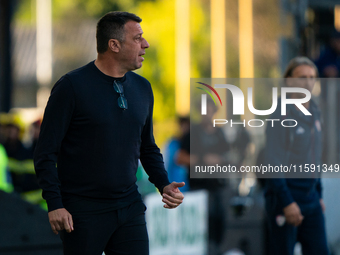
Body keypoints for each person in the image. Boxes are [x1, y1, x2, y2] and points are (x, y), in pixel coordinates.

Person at [34, 11, 184, 255]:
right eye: (137, 38)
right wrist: (55, 204)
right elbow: (45, 153)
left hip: (130, 207)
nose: (145, 44)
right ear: (113, 45)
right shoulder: (71, 86)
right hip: (82, 212)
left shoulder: (143, 88)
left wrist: (164, 184)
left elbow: (147, 147)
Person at [264, 57, 328, 255]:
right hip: (286, 201)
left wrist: (319, 193)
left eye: (311, 77)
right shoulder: (279, 114)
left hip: (312, 200)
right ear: (289, 81)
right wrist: (287, 202)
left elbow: (315, 158)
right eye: (302, 77)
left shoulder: (315, 112)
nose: (307, 82)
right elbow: (272, 161)